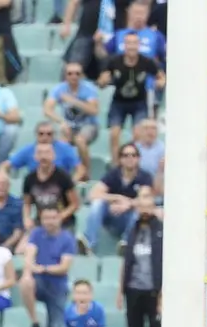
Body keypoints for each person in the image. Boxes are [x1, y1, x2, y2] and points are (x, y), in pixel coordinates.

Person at [97, 32, 164, 164]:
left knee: (138, 135)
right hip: (118, 102)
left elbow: (161, 76)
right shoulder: (114, 61)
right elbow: (101, 81)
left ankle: (133, 164)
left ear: (138, 45)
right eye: (129, 43)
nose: (132, 46)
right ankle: (116, 166)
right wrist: (103, 81)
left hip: (139, 102)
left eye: (134, 43)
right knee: (114, 134)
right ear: (124, 45)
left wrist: (160, 82)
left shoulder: (147, 62)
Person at [81, 142, 153, 255]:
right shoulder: (113, 174)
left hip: (129, 218)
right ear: (120, 159)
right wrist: (117, 198)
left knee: (139, 211)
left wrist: (128, 204)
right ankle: (88, 245)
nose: (130, 158)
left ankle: (126, 245)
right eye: (126, 155)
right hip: (111, 215)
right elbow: (93, 194)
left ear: (139, 158)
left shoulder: (144, 177)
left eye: (133, 155)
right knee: (97, 204)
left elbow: (145, 199)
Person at [118, 186, 161, 327]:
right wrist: (120, 290)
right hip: (133, 289)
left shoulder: (161, 231)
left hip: (154, 290)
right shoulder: (132, 231)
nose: (145, 211)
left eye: (148, 207)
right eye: (142, 207)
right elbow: (126, 261)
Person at [43, 62, 99, 172]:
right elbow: (47, 110)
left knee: (80, 140)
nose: (74, 76)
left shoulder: (89, 88)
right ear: (65, 75)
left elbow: (94, 110)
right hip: (68, 125)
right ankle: (62, 173)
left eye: (77, 73)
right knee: (61, 144)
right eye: (70, 73)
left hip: (88, 124)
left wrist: (73, 101)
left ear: (82, 75)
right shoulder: (59, 89)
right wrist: (61, 122)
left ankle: (85, 172)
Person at [21, 142, 79, 233]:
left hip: (64, 223)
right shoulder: (29, 179)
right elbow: (27, 203)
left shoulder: (63, 177)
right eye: (40, 153)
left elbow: (75, 204)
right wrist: (26, 218)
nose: (43, 156)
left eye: (47, 153)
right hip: (40, 222)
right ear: (35, 156)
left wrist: (58, 218)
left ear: (53, 156)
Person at [0, 123, 81, 181]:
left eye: (49, 134)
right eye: (41, 134)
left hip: (60, 189)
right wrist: (3, 178)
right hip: (34, 189)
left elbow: (80, 170)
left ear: (54, 135)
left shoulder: (65, 149)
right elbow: (5, 166)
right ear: (36, 134)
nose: (45, 137)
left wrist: (70, 184)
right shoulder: (28, 150)